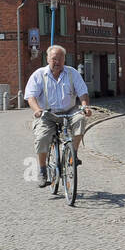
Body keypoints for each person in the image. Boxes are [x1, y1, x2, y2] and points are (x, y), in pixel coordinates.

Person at [25, 45, 92, 188]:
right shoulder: (39, 75)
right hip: (47, 113)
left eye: (60, 59)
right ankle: (42, 171)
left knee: (80, 119)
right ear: (47, 59)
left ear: (64, 60)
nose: (57, 62)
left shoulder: (72, 73)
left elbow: (82, 92)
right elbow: (31, 96)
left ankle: (72, 155)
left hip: (69, 111)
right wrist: (37, 110)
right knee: (42, 137)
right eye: (54, 59)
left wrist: (85, 105)